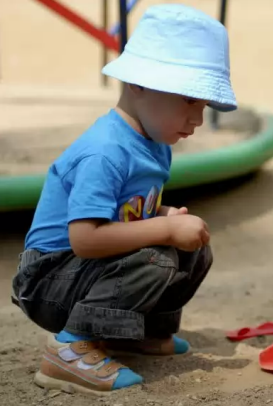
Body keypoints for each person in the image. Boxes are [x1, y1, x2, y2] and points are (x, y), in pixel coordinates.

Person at [11, 4, 237, 396]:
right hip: (49, 279)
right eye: (189, 100)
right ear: (139, 84)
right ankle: (69, 350)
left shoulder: (155, 143)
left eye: (203, 106)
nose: (198, 120)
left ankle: (139, 334)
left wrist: (162, 213)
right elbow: (86, 238)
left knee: (195, 251)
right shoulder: (105, 152)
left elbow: (127, 212)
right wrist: (164, 227)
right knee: (157, 257)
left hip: (87, 271)